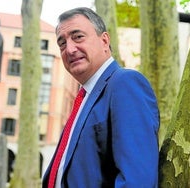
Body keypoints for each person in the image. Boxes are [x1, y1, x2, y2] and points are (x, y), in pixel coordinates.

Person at [42, 7, 160, 188]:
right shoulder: (84, 98)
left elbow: (137, 181)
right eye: (62, 43)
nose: (70, 49)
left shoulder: (125, 84)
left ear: (104, 41)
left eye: (78, 36)